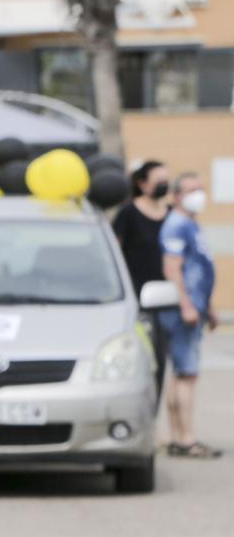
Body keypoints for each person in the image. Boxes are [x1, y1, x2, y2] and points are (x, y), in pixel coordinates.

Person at [160, 171, 220, 458]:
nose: (199, 194)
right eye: (192, 189)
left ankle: (178, 436)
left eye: (200, 188)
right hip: (182, 311)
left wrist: (207, 307)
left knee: (180, 374)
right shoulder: (177, 225)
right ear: (178, 195)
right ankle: (186, 439)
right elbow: (172, 267)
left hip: (195, 307)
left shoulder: (191, 225)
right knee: (186, 374)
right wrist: (186, 305)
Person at [113, 160, 172, 393]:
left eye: (166, 181)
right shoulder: (128, 213)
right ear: (142, 183)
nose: (163, 186)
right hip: (138, 299)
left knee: (163, 360)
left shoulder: (172, 215)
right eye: (158, 181)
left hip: (167, 298)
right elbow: (115, 253)